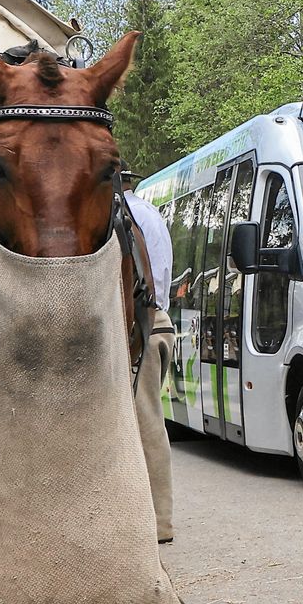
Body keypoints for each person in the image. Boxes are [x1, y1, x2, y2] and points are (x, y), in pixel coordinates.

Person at [123, 176, 176, 543]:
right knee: (150, 422)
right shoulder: (149, 213)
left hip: (141, 325)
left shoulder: (124, 216)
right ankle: (156, 519)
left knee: (146, 424)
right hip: (159, 322)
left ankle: (158, 523)